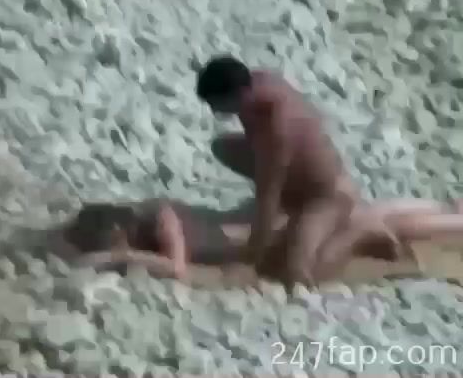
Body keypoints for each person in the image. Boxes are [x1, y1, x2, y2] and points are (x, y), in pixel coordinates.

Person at [195, 55, 377, 286]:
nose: (215, 112)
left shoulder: (277, 124)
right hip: (297, 175)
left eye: (218, 106)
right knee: (223, 147)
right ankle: (290, 204)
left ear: (239, 94)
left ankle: (360, 234)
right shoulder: (254, 86)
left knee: (295, 269)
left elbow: (268, 194)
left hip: (327, 195)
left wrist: (252, 257)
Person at [66, 197, 463, 284]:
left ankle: (454, 220)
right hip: (269, 227)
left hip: (277, 234)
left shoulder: (162, 220)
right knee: (374, 213)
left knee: (380, 222)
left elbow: (177, 268)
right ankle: (447, 209)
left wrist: (117, 258)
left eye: (114, 242)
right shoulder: (157, 216)